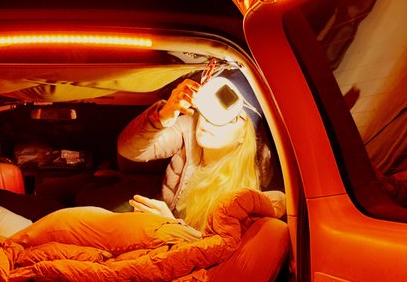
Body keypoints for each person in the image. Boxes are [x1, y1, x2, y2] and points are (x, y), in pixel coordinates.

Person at [116, 67, 286, 232]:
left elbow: (218, 252)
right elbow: (129, 149)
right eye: (208, 110)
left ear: (244, 133)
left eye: (226, 118)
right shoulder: (189, 128)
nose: (208, 122)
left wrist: (171, 226)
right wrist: (162, 115)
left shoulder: (256, 192)